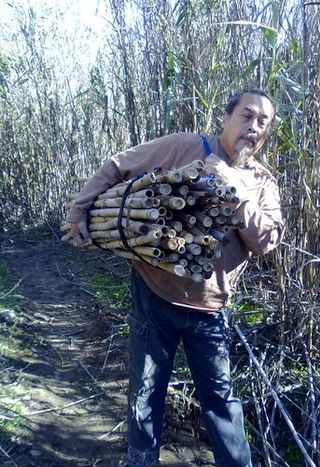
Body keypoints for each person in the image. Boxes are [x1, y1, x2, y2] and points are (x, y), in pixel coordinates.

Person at [67, 89, 284, 467]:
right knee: (146, 390)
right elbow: (119, 164)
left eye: (262, 122)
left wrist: (234, 193)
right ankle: (141, 461)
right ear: (225, 118)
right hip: (155, 295)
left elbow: (266, 241)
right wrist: (79, 211)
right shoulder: (185, 146)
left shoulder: (264, 181)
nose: (253, 127)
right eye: (246, 116)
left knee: (221, 400)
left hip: (212, 307)